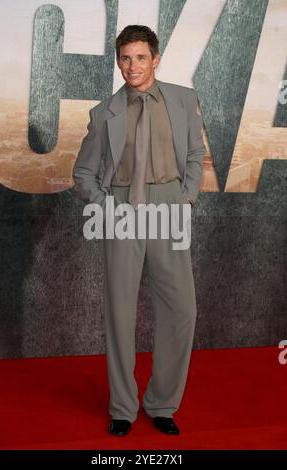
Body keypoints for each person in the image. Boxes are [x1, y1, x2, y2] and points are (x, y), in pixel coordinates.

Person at [73, 25, 206, 436]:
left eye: (141, 57)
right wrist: (106, 208)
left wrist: (184, 197)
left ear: (156, 58)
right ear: (118, 61)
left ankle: (162, 402)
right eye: (125, 58)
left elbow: (196, 154)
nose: (133, 66)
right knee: (120, 312)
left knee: (181, 310)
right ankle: (122, 408)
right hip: (122, 212)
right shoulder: (104, 113)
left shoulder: (183, 100)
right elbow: (83, 172)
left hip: (169, 207)